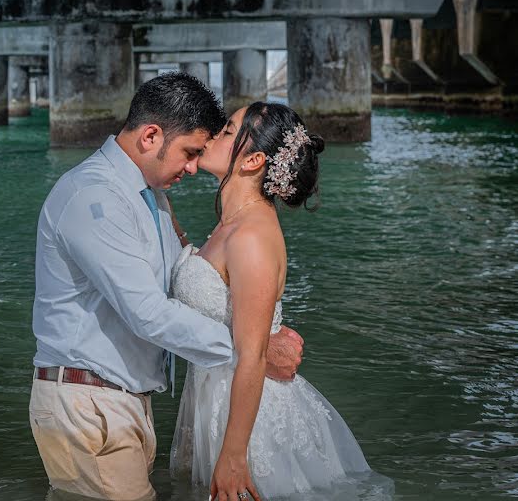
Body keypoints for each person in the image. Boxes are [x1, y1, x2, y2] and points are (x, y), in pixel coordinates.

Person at [29, 74, 304, 501]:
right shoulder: (94, 197)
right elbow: (148, 313)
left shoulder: (151, 197)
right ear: (151, 135)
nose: (193, 166)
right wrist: (257, 352)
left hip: (124, 401)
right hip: (90, 403)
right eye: (189, 152)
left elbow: (181, 271)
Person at [169, 102, 381, 501]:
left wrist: (234, 455)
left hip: (250, 419)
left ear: (253, 161)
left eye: (228, 130)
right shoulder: (232, 222)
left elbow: (253, 356)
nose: (215, 134)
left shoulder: (251, 237)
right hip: (217, 398)